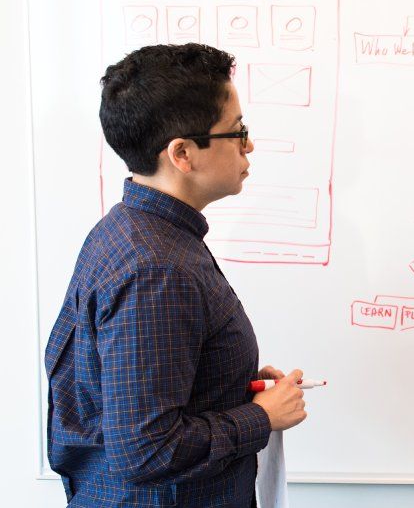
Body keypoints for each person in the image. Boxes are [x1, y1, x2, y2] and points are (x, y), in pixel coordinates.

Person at [44, 43, 309, 507]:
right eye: (236, 131)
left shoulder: (136, 230)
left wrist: (228, 382)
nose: (248, 144)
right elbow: (147, 451)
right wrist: (260, 417)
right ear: (183, 153)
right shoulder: (157, 269)